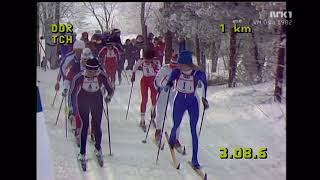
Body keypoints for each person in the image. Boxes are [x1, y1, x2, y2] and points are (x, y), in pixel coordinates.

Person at [164, 50, 209, 169]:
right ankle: (172, 140)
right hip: (179, 101)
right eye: (180, 64)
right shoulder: (176, 71)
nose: (181, 66)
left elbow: (205, 85)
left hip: (193, 102)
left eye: (183, 65)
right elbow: (170, 81)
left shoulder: (198, 73)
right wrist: (168, 85)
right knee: (176, 124)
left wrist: (205, 98)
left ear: (189, 64)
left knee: (193, 129)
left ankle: (195, 159)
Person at [68, 57, 114, 164]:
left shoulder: (101, 75)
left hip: (96, 99)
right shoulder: (80, 76)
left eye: (94, 71)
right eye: (89, 71)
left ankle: (98, 148)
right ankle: (82, 152)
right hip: (83, 99)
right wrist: (71, 106)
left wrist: (108, 97)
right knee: (85, 126)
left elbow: (110, 89)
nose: (92, 73)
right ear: (86, 69)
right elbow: (72, 92)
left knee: (97, 125)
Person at [154, 53, 183, 152]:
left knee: (176, 116)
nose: (173, 67)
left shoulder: (182, 71)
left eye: (175, 65)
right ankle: (158, 131)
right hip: (164, 92)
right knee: (161, 112)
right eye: (172, 64)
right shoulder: (164, 69)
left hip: (174, 94)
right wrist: (160, 86)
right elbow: (157, 80)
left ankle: (175, 138)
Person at [131, 49, 161, 131]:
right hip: (145, 80)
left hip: (153, 80)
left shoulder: (156, 62)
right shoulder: (142, 60)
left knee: (154, 99)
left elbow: (160, 71)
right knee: (144, 99)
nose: (147, 61)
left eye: (148, 60)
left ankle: (153, 114)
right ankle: (142, 119)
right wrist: (133, 74)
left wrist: (154, 67)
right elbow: (135, 67)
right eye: (146, 59)